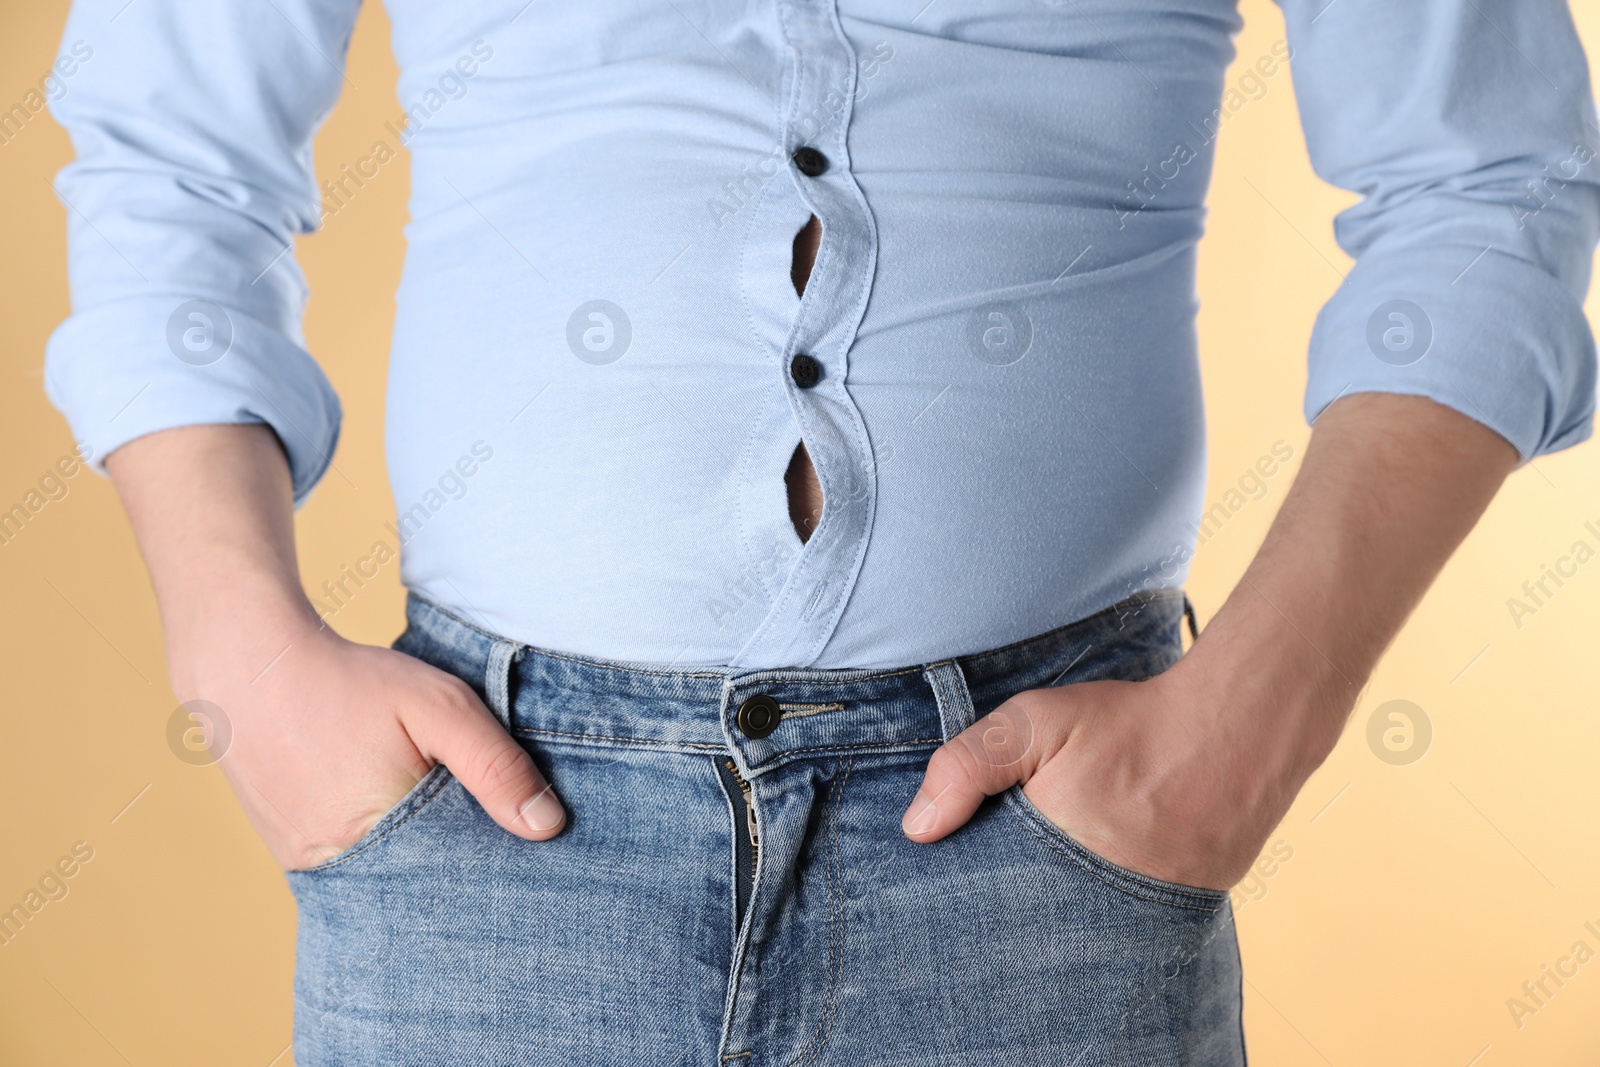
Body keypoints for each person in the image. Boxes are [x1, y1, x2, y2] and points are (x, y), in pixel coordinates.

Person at [43, 0, 1598, 1063]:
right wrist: (240, 654)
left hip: (1055, 857)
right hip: (485, 857)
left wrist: (1253, 727)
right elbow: (169, 157)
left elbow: (1488, 182)